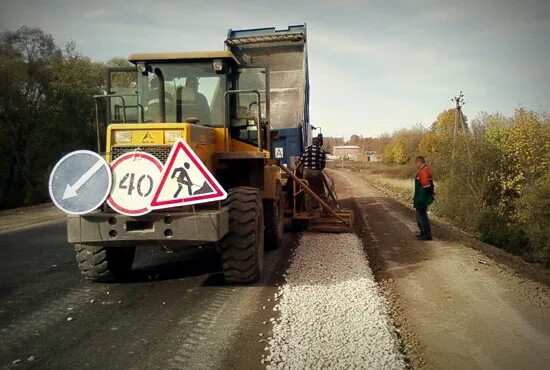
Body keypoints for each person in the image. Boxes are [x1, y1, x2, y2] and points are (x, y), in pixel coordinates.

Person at [298, 136, 327, 212]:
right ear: (319, 143)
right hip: (317, 172)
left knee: (307, 190)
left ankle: (309, 210)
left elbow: (301, 160)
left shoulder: (306, 149)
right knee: (321, 191)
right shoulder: (322, 151)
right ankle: (325, 209)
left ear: (312, 142)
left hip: (307, 172)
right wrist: (318, 169)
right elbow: (323, 165)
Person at [413, 156, 434, 240]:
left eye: (416, 163)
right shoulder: (425, 170)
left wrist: (423, 197)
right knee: (420, 216)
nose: (415, 165)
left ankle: (426, 235)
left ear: (419, 162)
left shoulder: (424, 172)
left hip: (421, 199)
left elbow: (426, 185)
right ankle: (423, 233)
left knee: (421, 217)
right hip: (421, 198)